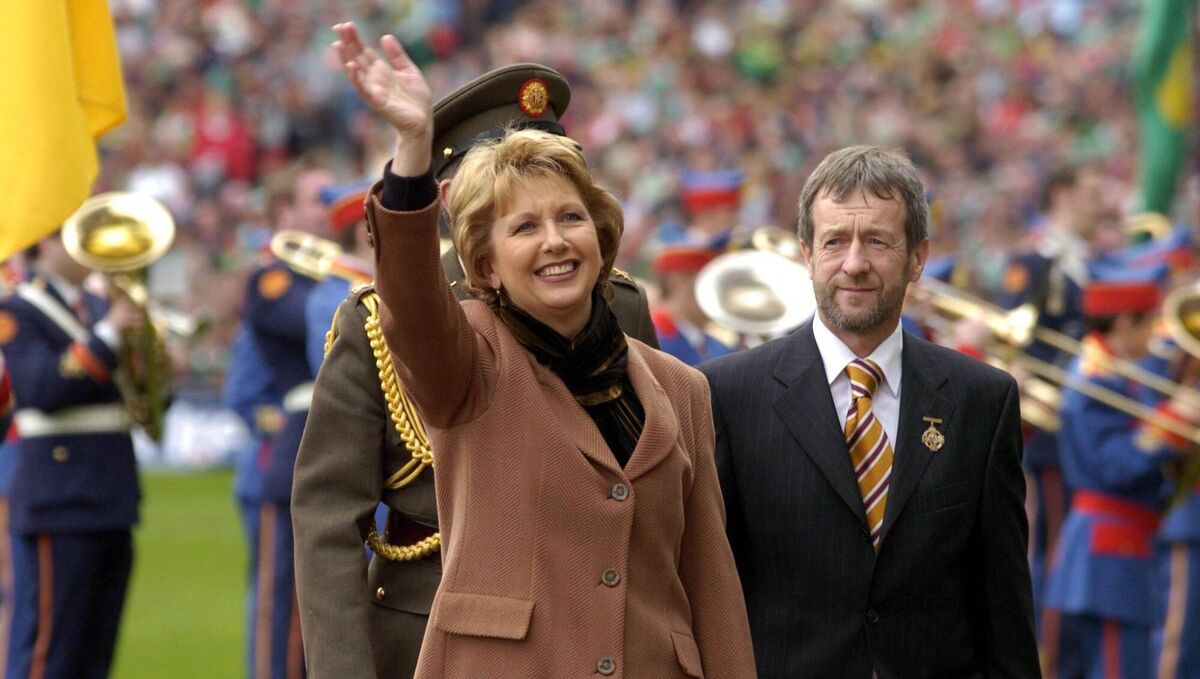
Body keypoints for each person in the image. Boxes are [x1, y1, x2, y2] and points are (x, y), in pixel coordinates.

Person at [331, 21, 755, 677]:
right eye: (524, 227)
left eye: (570, 218)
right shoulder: (470, 363)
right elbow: (411, 303)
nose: (555, 240)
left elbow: (711, 583)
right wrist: (413, 148)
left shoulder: (681, 389)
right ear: (487, 265)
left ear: (600, 235)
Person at [292, 61, 661, 676]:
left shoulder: (617, 305)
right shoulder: (375, 323)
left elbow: (651, 492)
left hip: (595, 629)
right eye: (498, 173)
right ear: (450, 194)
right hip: (433, 633)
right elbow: (328, 518)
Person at [701, 145, 1039, 677]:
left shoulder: (983, 400)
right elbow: (708, 593)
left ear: (918, 257)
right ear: (807, 255)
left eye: (877, 241)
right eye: (835, 241)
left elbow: (1004, 611)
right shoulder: (728, 393)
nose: (854, 264)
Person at [0, 234, 144, 678]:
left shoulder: (100, 308)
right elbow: (42, 387)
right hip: (57, 499)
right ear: (46, 244)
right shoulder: (17, 308)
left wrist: (151, 365)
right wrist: (108, 336)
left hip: (111, 495)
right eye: (76, 239)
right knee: (50, 651)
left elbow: (136, 404)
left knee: (94, 654)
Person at [1042, 278, 1194, 678]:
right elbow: (1112, 465)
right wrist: (1169, 429)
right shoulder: (1095, 378)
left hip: (1123, 546)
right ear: (1126, 323)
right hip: (1110, 548)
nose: (1155, 335)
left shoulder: (1118, 374)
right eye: (1149, 324)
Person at [239, 158, 332, 679]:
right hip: (297, 447)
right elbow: (320, 324)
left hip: (341, 445)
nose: (328, 212)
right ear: (283, 212)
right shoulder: (271, 280)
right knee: (282, 606)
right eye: (316, 201)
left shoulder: (335, 270)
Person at [650, 232, 734, 365]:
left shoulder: (716, 345)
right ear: (677, 284)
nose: (721, 293)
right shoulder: (651, 339)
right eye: (710, 284)